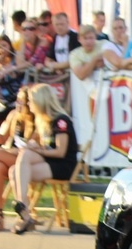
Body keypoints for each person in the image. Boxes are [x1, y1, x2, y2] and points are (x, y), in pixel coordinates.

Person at [9, 84, 79, 234]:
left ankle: (22, 207)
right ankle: (26, 215)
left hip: (63, 165)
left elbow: (60, 152)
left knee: (24, 158)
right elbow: (46, 147)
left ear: (41, 101)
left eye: (31, 101)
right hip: (50, 162)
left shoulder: (61, 121)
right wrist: (35, 145)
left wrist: (37, 149)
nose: (28, 104)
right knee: (14, 170)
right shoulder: (43, 121)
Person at [0, 86, 36, 232]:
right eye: (17, 101)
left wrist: (13, 151)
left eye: (21, 102)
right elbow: (2, 138)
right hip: (13, 157)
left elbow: (32, 148)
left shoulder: (37, 120)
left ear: (30, 104)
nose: (17, 104)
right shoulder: (14, 115)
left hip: (29, 160)